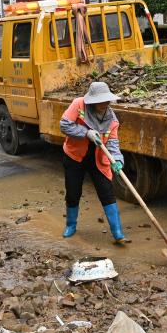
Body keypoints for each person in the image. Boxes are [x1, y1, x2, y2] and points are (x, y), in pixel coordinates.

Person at [59, 81, 126, 244]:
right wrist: (86, 133)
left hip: (98, 159)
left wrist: (117, 160)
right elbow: (64, 125)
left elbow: (113, 143)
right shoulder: (78, 104)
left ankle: (118, 232)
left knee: (107, 192)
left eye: (106, 101)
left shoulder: (112, 119)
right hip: (75, 156)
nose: (105, 104)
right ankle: (71, 225)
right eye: (101, 101)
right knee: (73, 193)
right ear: (93, 101)